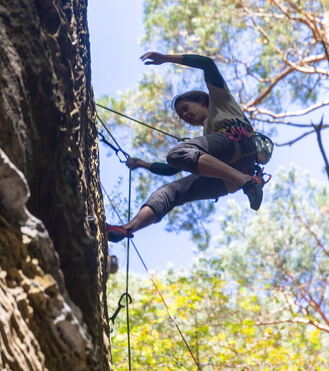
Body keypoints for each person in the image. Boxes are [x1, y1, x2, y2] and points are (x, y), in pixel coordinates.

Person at [106, 52, 266, 243]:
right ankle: (126, 229)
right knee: (170, 192)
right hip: (230, 175)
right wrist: (142, 164)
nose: (185, 115)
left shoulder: (220, 100)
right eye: (182, 116)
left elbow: (207, 63)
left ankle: (246, 181)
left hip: (235, 141)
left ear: (199, 100)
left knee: (178, 152)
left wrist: (166, 58)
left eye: (185, 108)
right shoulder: (207, 135)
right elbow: (171, 168)